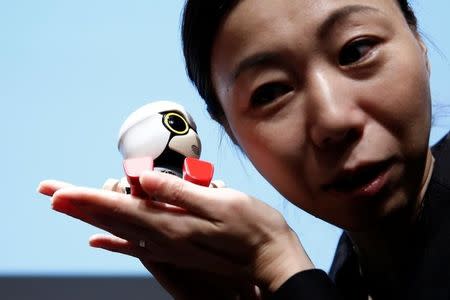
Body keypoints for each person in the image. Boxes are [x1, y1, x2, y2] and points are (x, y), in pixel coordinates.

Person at [38, 0, 450, 299]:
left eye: (356, 51)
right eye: (271, 91)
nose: (333, 120)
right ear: (230, 132)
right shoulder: (350, 277)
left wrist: (279, 262)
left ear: (419, 43)